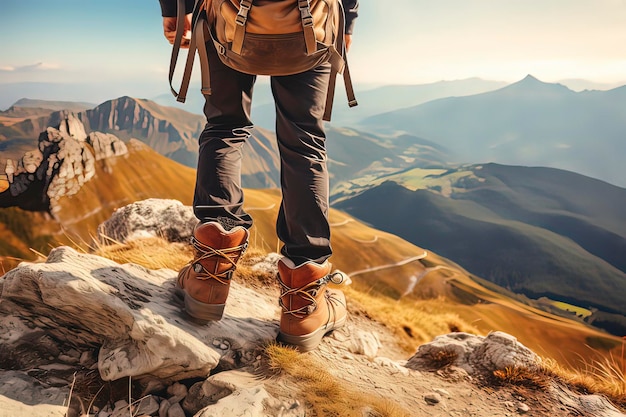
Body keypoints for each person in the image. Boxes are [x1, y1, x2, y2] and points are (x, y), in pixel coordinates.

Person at [158, 0, 359, 352]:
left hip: (226, 17)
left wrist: (176, 9)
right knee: (305, 142)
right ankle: (303, 300)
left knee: (224, 126)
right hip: (311, 19)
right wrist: (349, 20)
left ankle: (210, 271)